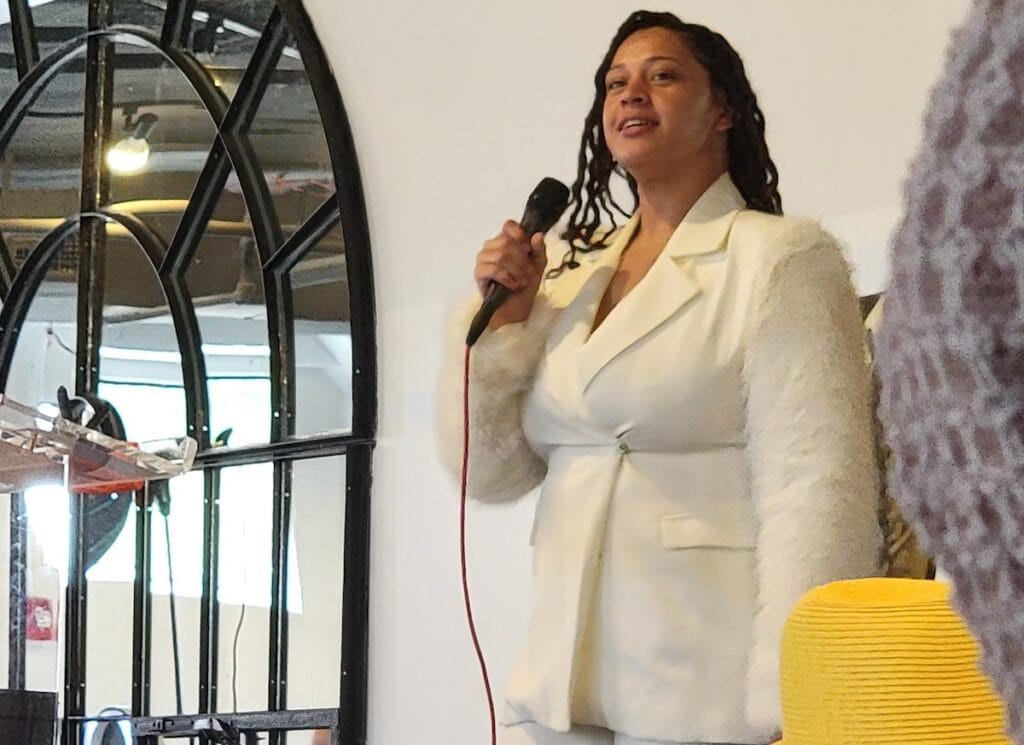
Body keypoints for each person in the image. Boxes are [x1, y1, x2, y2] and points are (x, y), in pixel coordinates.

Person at [439, 10, 881, 745]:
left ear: (723, 112)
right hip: (560, 680)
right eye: (616, 82)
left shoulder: (781, 258)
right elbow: (490, 476)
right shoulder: (570, 274)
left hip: (702, 683)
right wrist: (503, 330)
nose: (631, 93)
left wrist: (795, 692)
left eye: (662, 75)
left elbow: (817, 485)